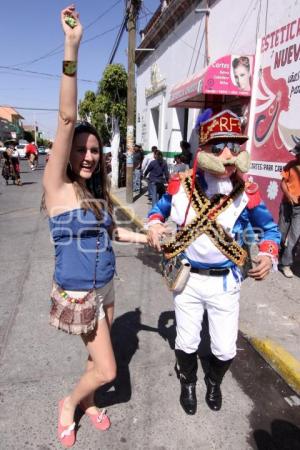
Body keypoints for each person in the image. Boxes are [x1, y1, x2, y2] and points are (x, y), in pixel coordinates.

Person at [42, 6, 148, 447]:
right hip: (80, 292)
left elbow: (113, 234)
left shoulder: (97, 194)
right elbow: (68, 118)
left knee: (95, 356)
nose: (88, 155)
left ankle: (87, 402)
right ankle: (70, 403)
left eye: (95, 150)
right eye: (81, 149)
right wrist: (72, 47)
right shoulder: (57, 187)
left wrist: (149, 236)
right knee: (108, 370)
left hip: (105, 286)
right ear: (68, 154)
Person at [147, 110, 280, 415]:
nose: (227, 154)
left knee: (224, 348)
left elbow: (270, 230)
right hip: (188, 281)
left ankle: (214, 380)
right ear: (203, 150)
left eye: (234, 146)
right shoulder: (181, 185)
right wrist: (154, 224)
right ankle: (189, 381)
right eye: (219, 146)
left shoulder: (247, 192)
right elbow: (157, 212)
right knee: (187, 341)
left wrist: (268, 254)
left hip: (225, 283)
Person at [278, 142, 300, 277]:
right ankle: (273, 256)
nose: (296, 155)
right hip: (287, 205)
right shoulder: (290, 166)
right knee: (281, 232)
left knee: (294, 236)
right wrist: (289, 195)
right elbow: (283, 183)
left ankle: (286, 264)